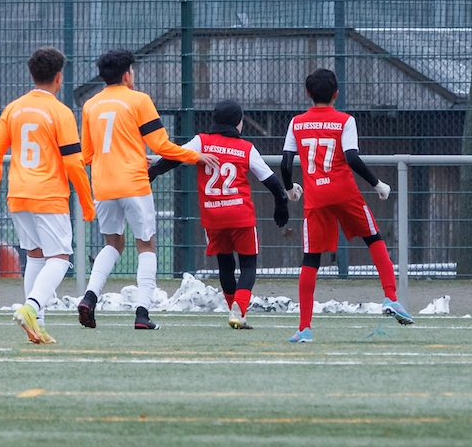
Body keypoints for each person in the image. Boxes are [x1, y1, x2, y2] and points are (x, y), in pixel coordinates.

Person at [78, 49, 220, 330]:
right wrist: (195, 156)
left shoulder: (90, 105)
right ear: (126, 74)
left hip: (104, 186)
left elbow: (88, 154)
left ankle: (90, 297)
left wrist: (125, 156)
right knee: (146, 245)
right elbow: (161, 146)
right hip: (133, 184)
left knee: (113, 244)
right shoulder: (139, 100)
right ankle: (142, 313)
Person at [0, 47, 95, 344]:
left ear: (32, 75)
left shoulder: (13, 109)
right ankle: (31, 307)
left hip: (18, 195)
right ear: (59, 77)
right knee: (61, 258)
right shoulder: (60, 112)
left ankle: (36, 326)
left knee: (36, 256)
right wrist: (86, 202)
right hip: (48, 196)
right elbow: (73, 162)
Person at [282, 69, 410, 343]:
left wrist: (290, 188)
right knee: (374, 239)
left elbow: (285, 162)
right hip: (344, 191)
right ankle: (390, 297)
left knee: (311, 258)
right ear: (336, 94)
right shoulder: (345, 120)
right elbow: (351, 157)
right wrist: (377, 184)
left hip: (315, 197)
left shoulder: (296, 122)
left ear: (307, 93)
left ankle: (304, 328)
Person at [148, 99, 289, 330]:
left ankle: (234, 310)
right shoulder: (246, 148)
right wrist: (281, 203)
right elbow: (270, 180)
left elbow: (175, 157)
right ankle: (238, 311)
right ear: (237, 123)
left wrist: (153, 171)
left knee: (225, 264)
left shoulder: (201, 141)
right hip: (240, 215)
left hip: (213, 216)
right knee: (248, 265)